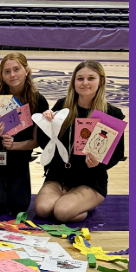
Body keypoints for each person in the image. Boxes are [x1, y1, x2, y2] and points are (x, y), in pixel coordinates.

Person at [34, 60, 126, 223]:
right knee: (43, 210)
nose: (85, 83)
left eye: (91, 78)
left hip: (90, 180)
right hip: (59, 175)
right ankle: (70, 200)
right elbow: (45, 143)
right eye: (80, 79)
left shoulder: (111, 113)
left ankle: (84, 205)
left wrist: (98, 163)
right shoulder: (63, 106)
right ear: (74, 82)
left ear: (101, 81)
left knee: (61, 213)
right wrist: (45, 124)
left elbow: (118, 153)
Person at [0, 53, 49, 215]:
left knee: (19, 207)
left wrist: (14, 145)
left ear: (27, 71)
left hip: (19, 160)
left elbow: (35, 141)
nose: (12, 75)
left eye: (16, 69)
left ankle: (5, 186)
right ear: (1, 75)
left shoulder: (38, 101)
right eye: (7, 71)